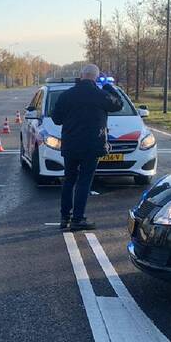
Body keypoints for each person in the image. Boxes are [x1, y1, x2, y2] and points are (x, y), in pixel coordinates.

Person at [50, 64, 123, 231]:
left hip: (71, 144)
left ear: (81, 75)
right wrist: (108, 86)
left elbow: (56, 119)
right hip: (92, 145)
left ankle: (64, 217)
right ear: (96, 78)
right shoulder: (101, 95)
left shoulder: (67, 95)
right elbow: (118, 104)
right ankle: (78, 218)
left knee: (69, 180)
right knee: (84, 182)